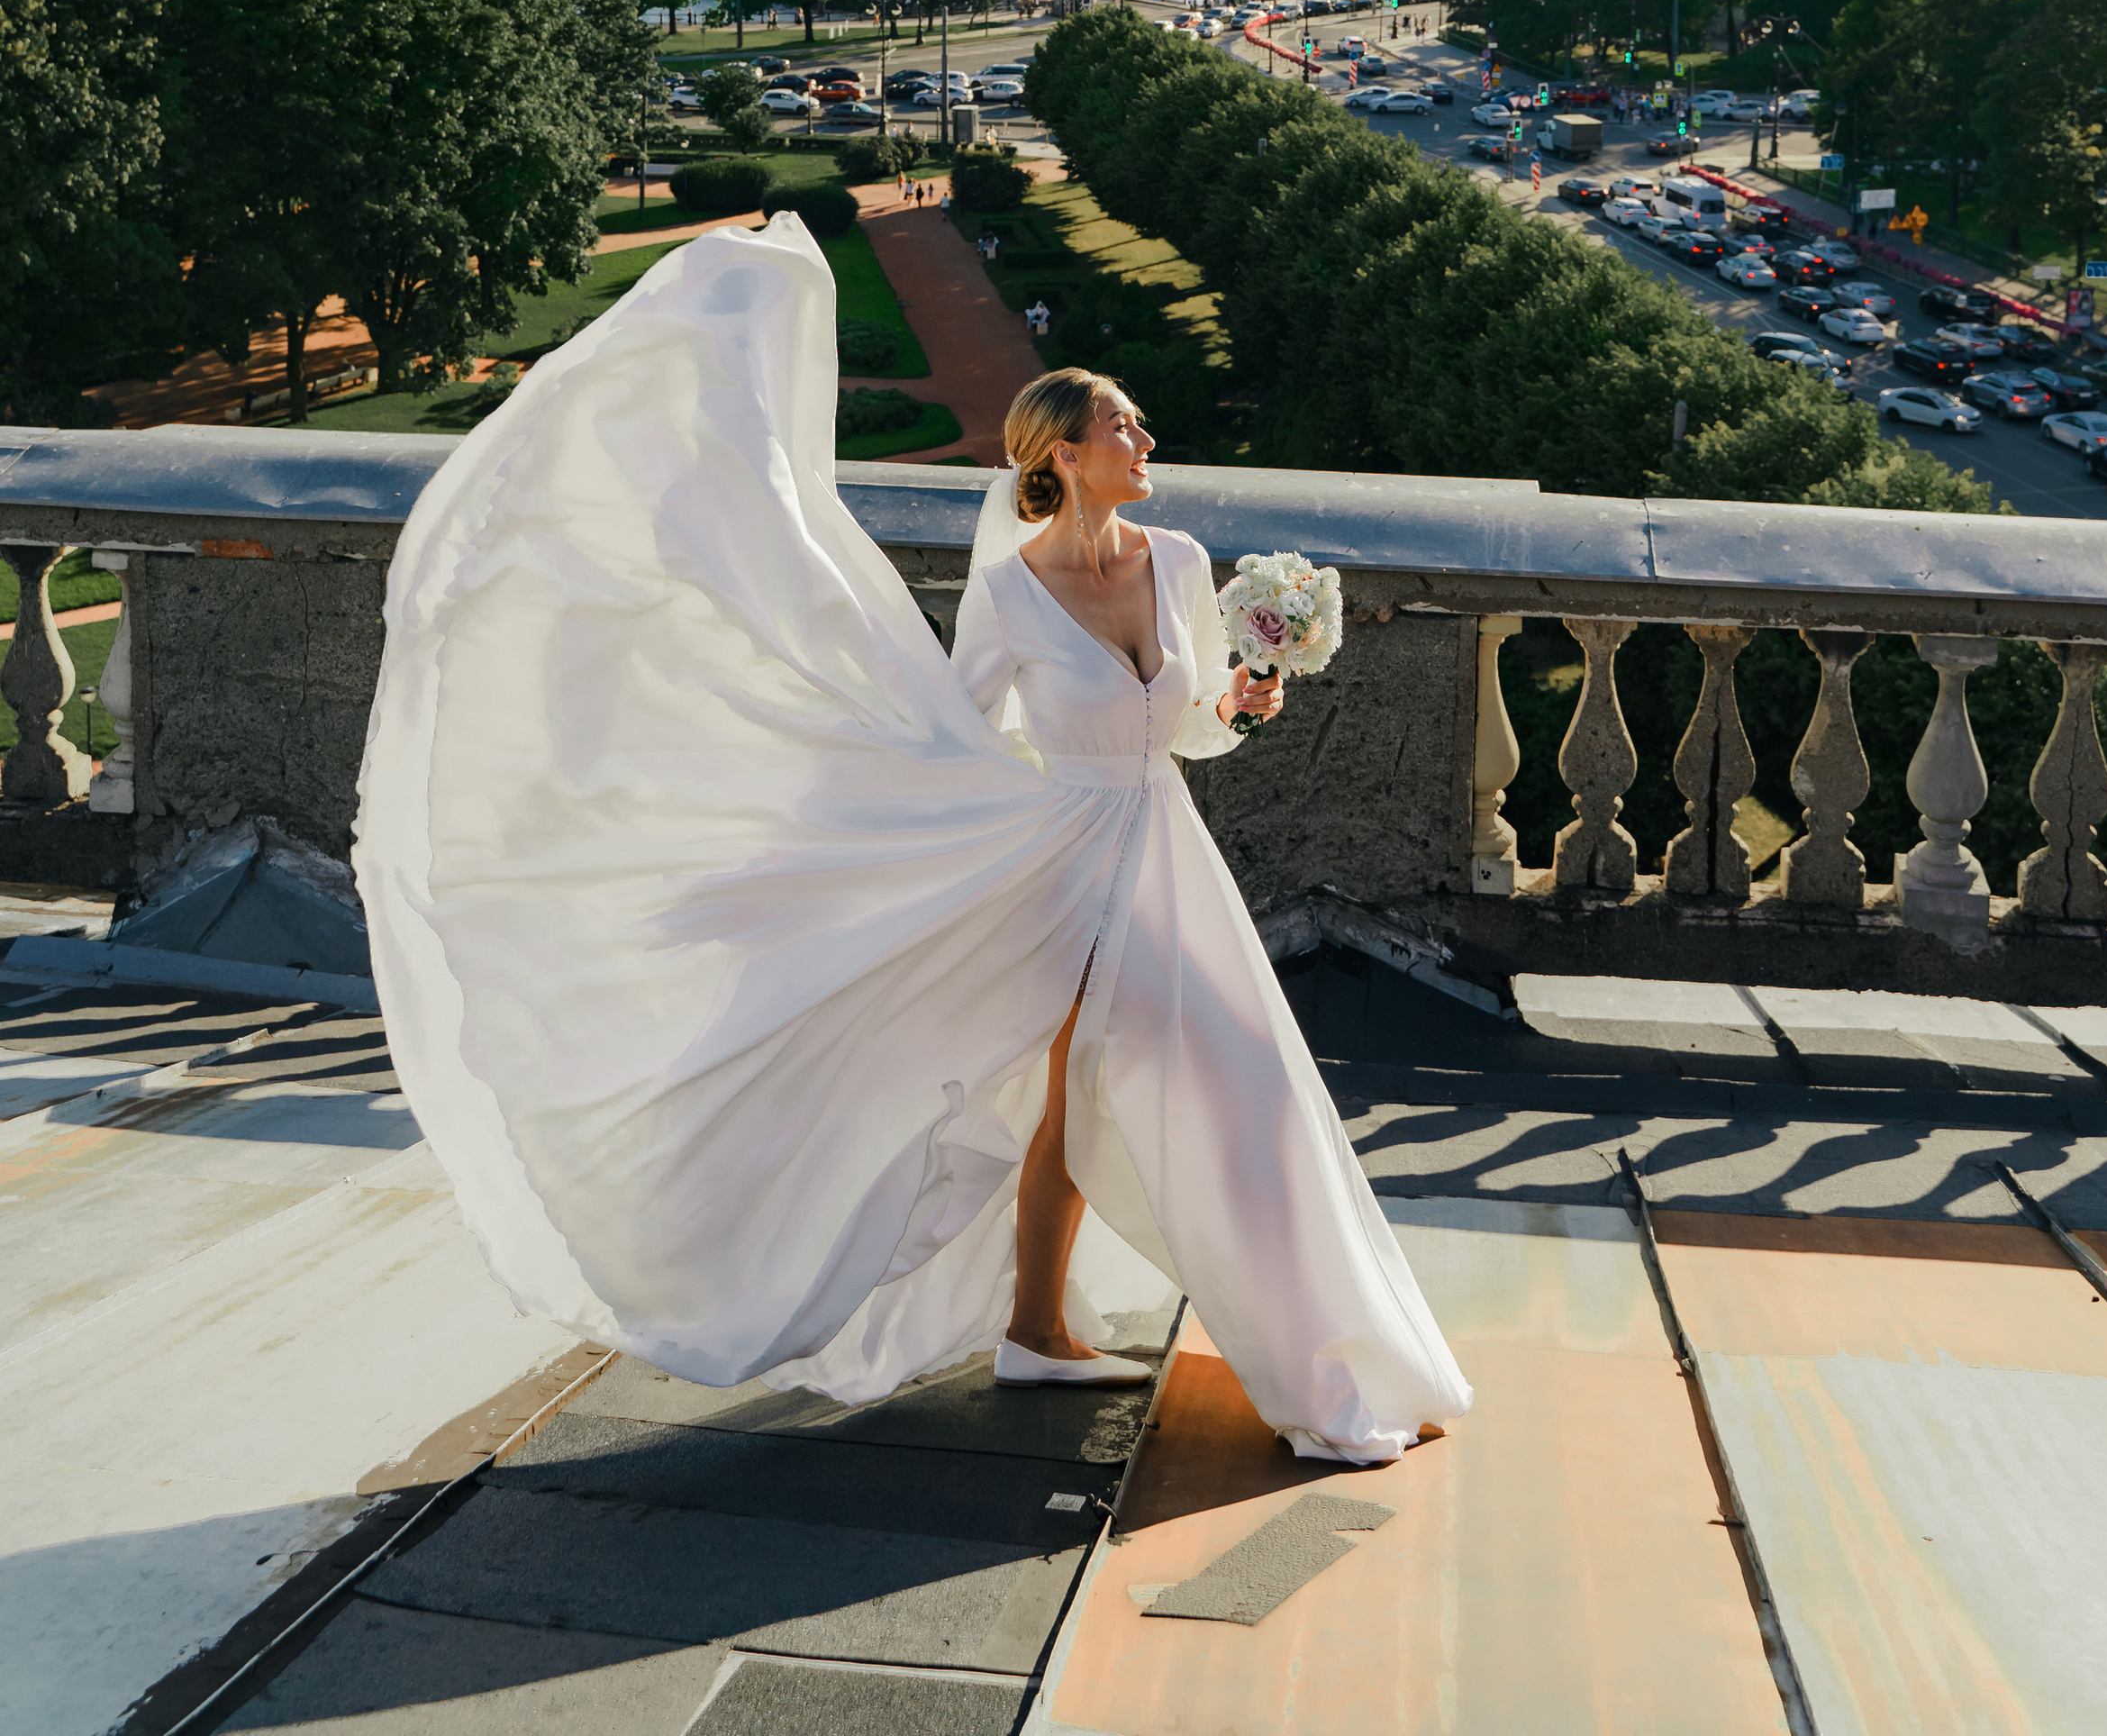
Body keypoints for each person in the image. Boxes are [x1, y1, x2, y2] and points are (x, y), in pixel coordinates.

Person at [354, 228, 1467, 1465]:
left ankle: (1049, 1328)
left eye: (1142, 428)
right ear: (1061, 453)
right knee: (1169, 1097)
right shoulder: (1008, 595)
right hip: (1065, 870)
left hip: (1163, 853)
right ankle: (1295, 1370)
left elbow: (1192, 726)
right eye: (1124, 429)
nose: (1145, 443)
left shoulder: (1184, 565)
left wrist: (1241, 704)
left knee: (1121, 1102)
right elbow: (958, 731)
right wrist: (935, 846)